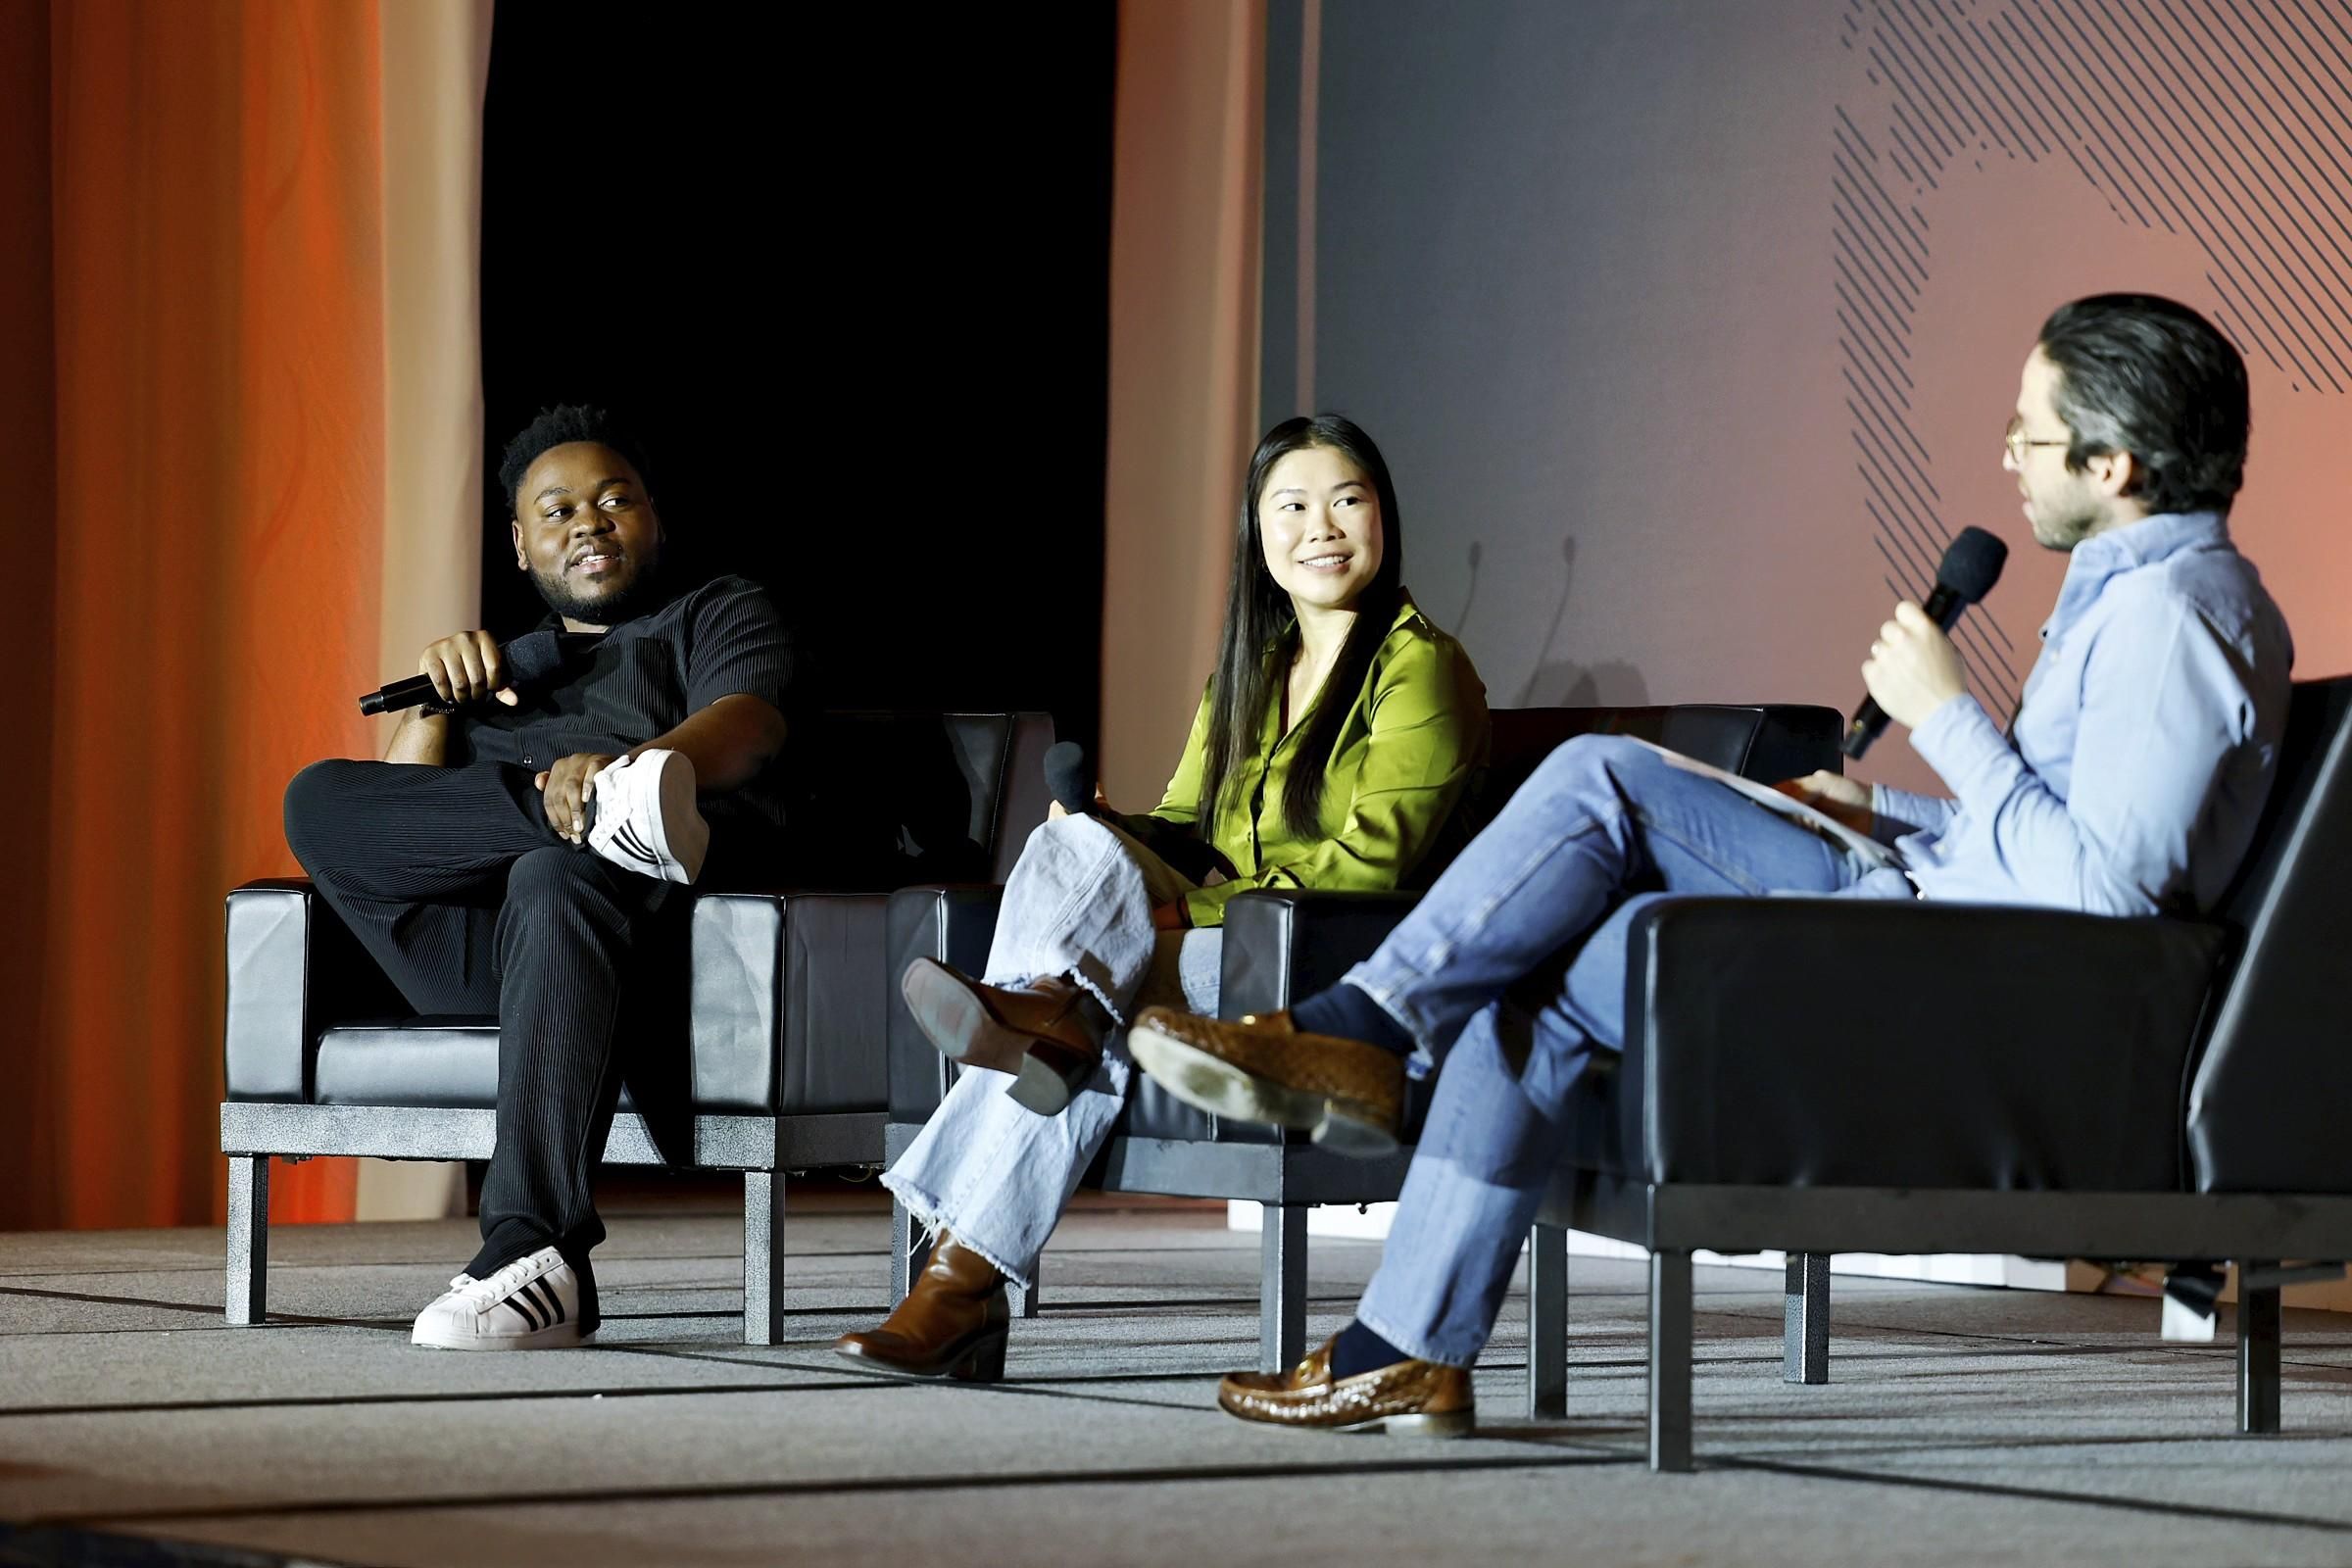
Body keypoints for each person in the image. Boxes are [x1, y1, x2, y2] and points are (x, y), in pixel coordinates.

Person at [1128, 294, 2295, 1436]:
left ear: (2113, 463)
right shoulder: (2138, 600)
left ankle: (1365, 1027)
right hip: (1938, 916)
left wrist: (1946, 718)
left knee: (1601, 776)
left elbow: (2107, 903)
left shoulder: (2173, 618)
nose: (2008, 458)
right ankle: (1406, 1346)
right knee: (1531, 986)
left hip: (1961, 973)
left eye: (2028, 434)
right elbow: (2040, 843)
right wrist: (1877, 805)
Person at [834, 415, 1490, 1381]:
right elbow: (1184, 825)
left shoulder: (1420, 666)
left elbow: (1367, 869)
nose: (1321, 526)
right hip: (1225, 948)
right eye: (1291, 506)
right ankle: (1047, 1027)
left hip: (1324, 961)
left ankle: (961, 1275)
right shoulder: (1249, 675)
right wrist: (1110, 832)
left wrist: (1181, 913)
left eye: (1347, 500)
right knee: (1068, 847)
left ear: (1383, 518)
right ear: (1258, 534)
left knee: (1097, 992)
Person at [282, 405, 797, 1350]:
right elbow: (400, 827)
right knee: (315, 798)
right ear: (521, 546)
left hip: (639, 939)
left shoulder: (713, 610)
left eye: (614, 501)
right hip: (486, 956)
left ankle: (535, 1253)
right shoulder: (505, 672)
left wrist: (635, 764)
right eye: (557, 511)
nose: (588, 523)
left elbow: (749, 727)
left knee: (555, 877)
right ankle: (591, 813)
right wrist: (439, 707)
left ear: (654, 517)